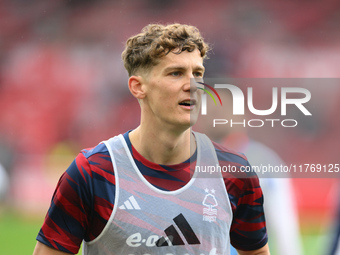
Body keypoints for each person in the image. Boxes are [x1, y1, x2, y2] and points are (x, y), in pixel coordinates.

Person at [33, 23, 270, 255]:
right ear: (138, 87)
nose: (193, 85)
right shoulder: (93, 173)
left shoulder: (233, 172)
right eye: (176, 73)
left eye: (197, 73)